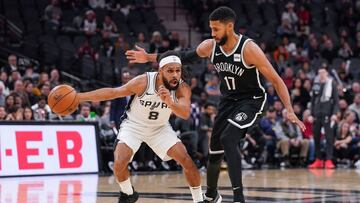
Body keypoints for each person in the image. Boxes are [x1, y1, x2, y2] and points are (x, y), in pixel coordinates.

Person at [126, 6, 305, 203]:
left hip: (251, 101)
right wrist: (149, 57)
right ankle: (211, 194)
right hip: (228, 101)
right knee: (214, 151)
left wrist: (289, 109)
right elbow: (181, 56)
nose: (213, 34)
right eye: (211, 29)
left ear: (230, 26)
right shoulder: (210, 46)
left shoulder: (249, 49)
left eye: (216, 29)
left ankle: (239, 198)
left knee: (229, 138)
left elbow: (277, 80)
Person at [77, 51, 203, 203]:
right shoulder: (143, 82)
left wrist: (169, 101)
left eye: (178, 70)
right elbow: (113, 92)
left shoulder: (182, 88)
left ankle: (199, 200)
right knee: (119, 162)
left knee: (186, 160)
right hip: (133, 126)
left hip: (159, 128)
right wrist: (79, 97)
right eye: (170, 71)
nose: (175, 75)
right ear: (160, 70)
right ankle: (128, 194)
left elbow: (184, 113)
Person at [308, 67, 339, 169]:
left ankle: (329, 160)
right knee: (316, 137)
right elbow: (312, 101)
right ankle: (318, 159)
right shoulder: (315, 85)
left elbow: (336, 101)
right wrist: (311, 114)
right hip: (317, 114)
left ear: (327, 73)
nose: (321, 74)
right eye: (319, 72)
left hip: (328, 115)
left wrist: (334, 113)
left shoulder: (332, 83)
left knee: (329, 138)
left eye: (323, 72)